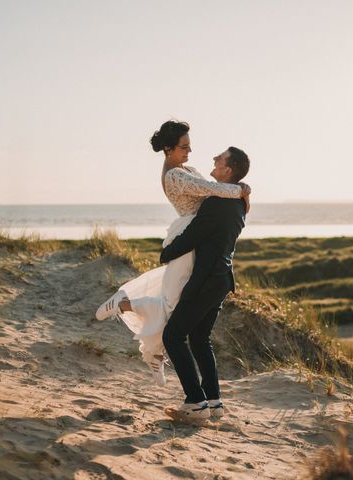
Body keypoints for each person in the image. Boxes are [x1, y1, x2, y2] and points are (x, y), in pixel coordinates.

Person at [94, 121, 250, 386]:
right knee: (172, 307)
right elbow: (216, 190)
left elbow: (215, 193)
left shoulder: (186, 169)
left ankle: (155, 352)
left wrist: (239, 193)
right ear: (168, 149)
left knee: (174, 306)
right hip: (188, 235)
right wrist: (244, 190)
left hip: (196, 235)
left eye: (189, 146)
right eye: (183, 147)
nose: (189, 151)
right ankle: (124, 307)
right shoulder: (174, 175)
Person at [160, 146, 250, 422]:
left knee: (172, 336)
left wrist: (167, 253)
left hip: (206, 280)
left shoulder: (217, 202)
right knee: (199, 338)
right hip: (221, 279)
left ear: (229, 169)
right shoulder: (238, 203)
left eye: (219, 159)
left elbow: (194, 235)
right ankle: (214, 401)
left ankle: (196, 401)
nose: (213, 159)